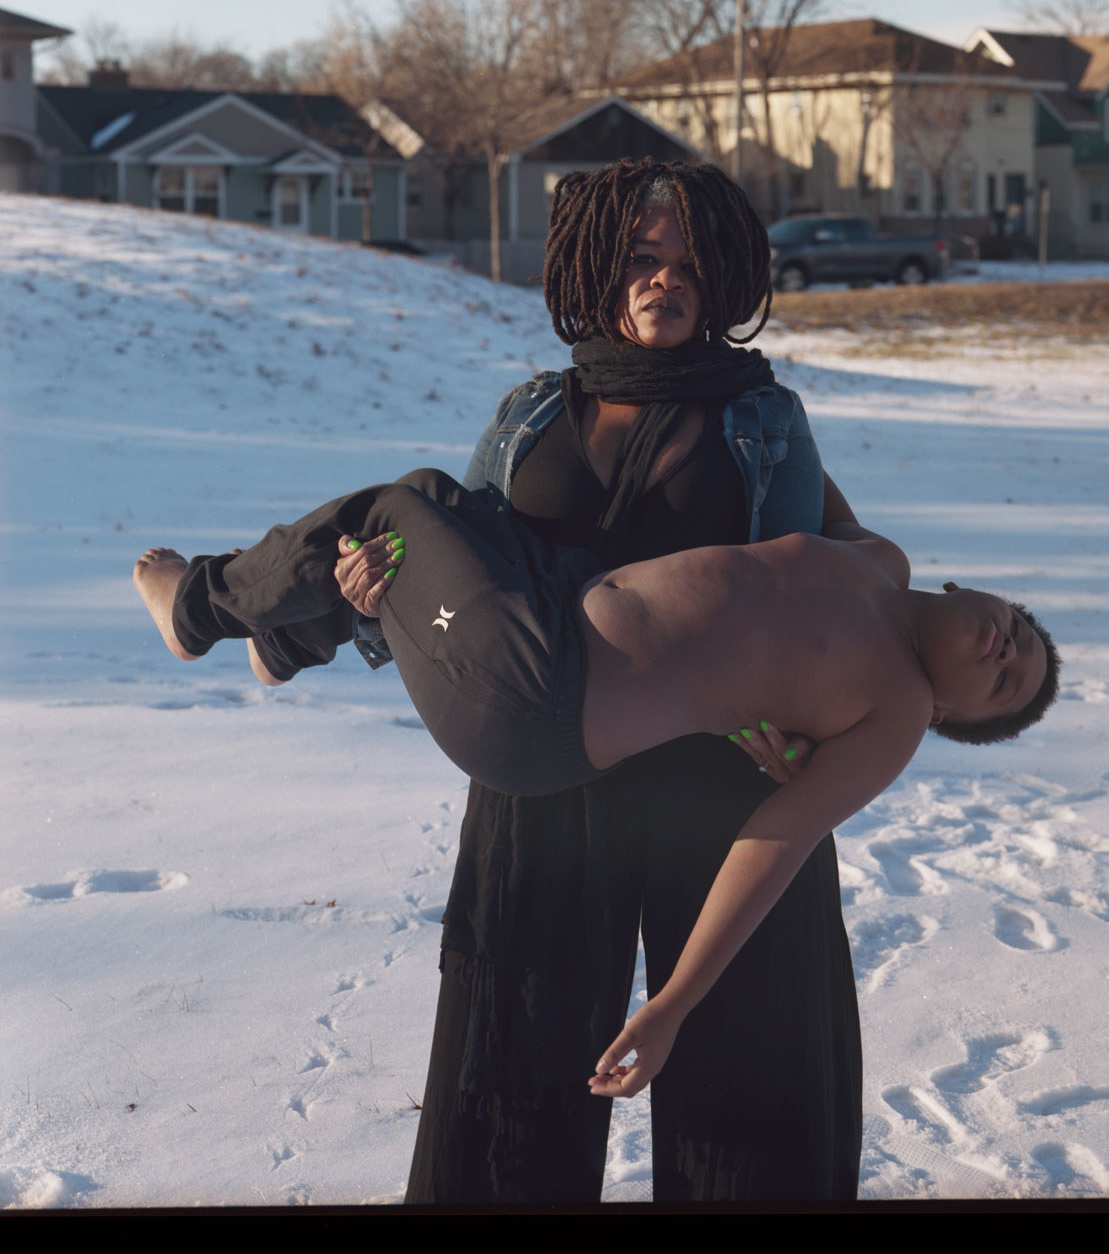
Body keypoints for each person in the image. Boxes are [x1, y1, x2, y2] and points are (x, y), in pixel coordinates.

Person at [137, 160, 932, 1202]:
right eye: (642, 259)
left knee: (758, 1073)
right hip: (551, 780)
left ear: (724, 278)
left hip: (721, 775)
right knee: (509, 1065)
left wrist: (815, 724)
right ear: (599, 268)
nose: (662, 281)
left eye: (686, 265)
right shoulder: (530, 412)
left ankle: (263, 629)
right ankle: (287, 625)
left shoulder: (764, 416)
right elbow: (462, 575)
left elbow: (810, 576)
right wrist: (370, 599)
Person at [134, 471, 1059, 1098]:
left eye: (1005, 683)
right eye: (1019, 630)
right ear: (966, 587)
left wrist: (670, 1005)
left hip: (536, 700)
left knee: (391, 514)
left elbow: (774, 847)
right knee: (433, 500)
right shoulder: (878, 561)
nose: (1006, 650)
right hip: (532, 623)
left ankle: (197, 608)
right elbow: (792, 458)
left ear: (952, 718)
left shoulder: (893, 713)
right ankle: (290, 639)